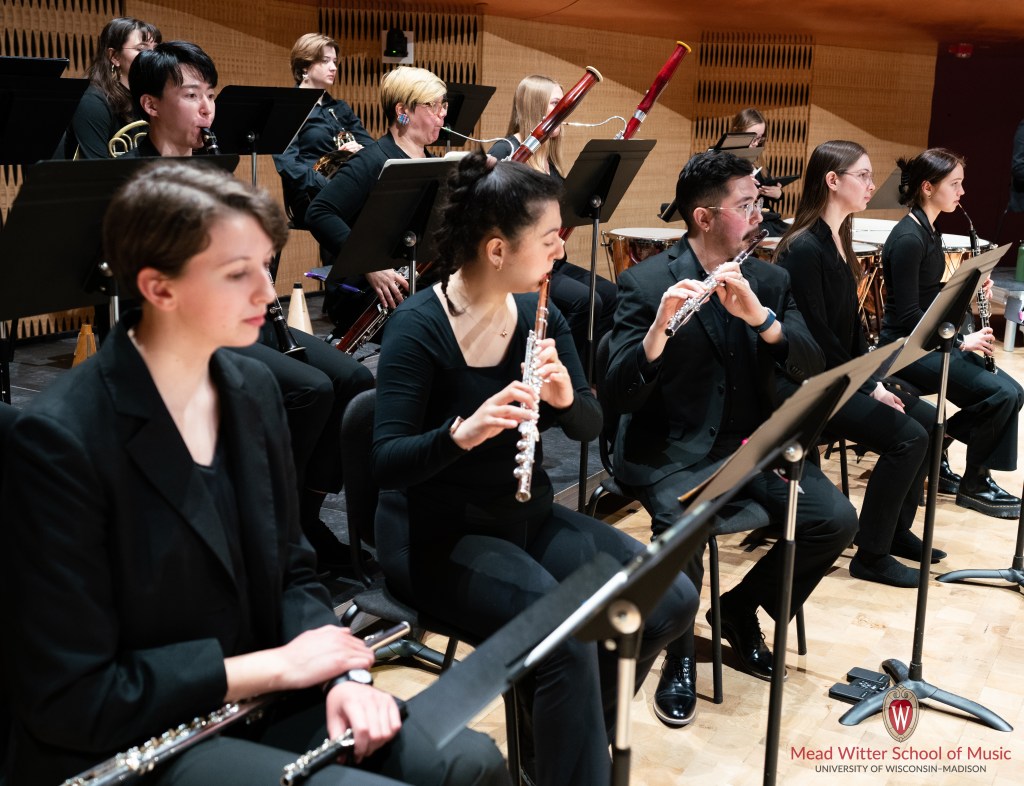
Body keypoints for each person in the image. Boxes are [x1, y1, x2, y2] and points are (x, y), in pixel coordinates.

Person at [0, 161, 509, 786]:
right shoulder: (59, 439)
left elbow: (291, 568)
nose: (269, 296)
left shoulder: (253, 387)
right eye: (239, 274)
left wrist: (342, 676)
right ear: (160, 288)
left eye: (267, 267)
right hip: (138, 737)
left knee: (471, 764)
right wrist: (278, 669)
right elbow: (73, 695)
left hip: (263, 693)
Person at [371, 152, 697, 786]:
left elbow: (590, 426)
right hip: (441, 535)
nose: (559, 250)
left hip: (526, 515)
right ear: (497, 249)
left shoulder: (539, 312)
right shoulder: (419, 326)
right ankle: (569, 761)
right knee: (564, 640)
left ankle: (561, 749)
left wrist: (566, 399)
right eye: (549, 239)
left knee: (667, 601)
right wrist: (460, 434)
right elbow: (385, 462)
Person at [605, 150, 857, 727]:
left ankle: (739, 610)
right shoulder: (645, 283)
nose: (759, 213)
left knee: (834, 520)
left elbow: (810, 361)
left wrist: (761, 320)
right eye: (745, 205)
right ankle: (677, 653)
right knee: (686, 527)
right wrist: (657, 335)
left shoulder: (769, 277)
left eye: (758, 200)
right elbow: (618, 393)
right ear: (703, 217)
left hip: (752, 449)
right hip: (673, 452)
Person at [128, 41, 375, 569]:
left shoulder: (215, 165)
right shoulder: (131, 176)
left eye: (210, 95)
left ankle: (306, 514)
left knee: (354, 381)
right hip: (186, 332)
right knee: (310, 389)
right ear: (151, 104)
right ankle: (274, 522)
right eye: (191, 94)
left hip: (240, 317)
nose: (206, 108)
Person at [776, 140, 940, 587]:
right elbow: (816, 343)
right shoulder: (803, 248)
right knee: (907, 436)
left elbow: (848, 333)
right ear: (833, 181)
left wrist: (876, 378)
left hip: (841, 376)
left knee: (927, 420)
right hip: (812, 387)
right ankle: (871, 555)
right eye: (863, 175)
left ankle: (892, 531)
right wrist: (870, 387)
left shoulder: (838, 236)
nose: (872, 184)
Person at [879, 147, 1024, 519]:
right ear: (928, 187)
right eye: (955, 184)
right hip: (903, 351)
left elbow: (931, 298)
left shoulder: (928, 230)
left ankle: (939, 451)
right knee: (1002, 395)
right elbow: (911, 315)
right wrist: (961, 341)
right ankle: (975, 483)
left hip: (926, 343)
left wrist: (970, 290)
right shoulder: (909, 238)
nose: (962, 193)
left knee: (1013, 393)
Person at [487, 75, 618, 366]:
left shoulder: (549, 156)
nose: (567, 112)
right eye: (558, 104)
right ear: (536, 107)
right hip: (520, 264)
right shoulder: (505, 151)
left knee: (610, 295)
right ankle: (553, 371)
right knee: (587, 302)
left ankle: (589, 380)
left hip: (550, 260)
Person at [306, 66, 447, 333]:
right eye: (433, 105)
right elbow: (320, 212)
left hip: (419, 285)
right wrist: (369, 264)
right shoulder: (372, 161)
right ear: (403, 111)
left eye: (443, 105)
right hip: (372, 295)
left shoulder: (432, 162)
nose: (442, 113)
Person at [273, 33, 374, 227]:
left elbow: (370, 146)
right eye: (325, 61)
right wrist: (328, 184)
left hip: (346, 186)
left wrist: (358, 149)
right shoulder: (288, 108)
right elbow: (287, 165)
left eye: (335, 61)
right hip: (310, 194)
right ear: (305, 66)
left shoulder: (340, 108)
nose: (334, 67)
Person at [58, 16, 160, 159]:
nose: (154, 56)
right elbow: (97, 169)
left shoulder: (154, 99)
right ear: (114, 57)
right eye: (141, 48)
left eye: (156, 48)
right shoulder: (93, 101)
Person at [728, 108, 790, 236]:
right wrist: (741, 183)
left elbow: (764, 190)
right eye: (752, 138)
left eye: (759, 138)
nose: (756, 143)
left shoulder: (757, 160)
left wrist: (778, 194)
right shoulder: (723, 160)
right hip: (743, 220)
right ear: (736, 131)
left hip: (764, 216)